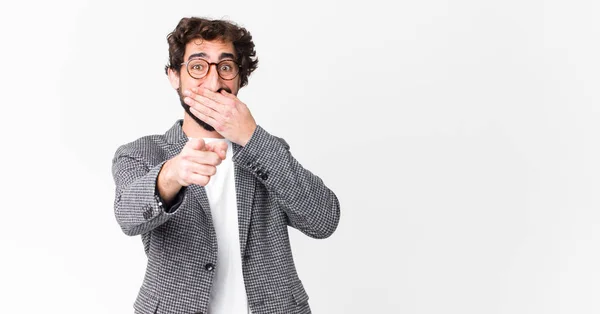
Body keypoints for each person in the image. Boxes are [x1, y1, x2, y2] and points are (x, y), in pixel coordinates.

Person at [111, 17, 341, 314]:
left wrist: (251, 136)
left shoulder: (268, 151)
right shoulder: (141, 153)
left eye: (226, 67)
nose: (213, 81)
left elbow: (323, 221)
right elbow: (128, 216)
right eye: (197, 66)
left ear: (239, 79)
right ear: (173, 76)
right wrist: (173, 173)